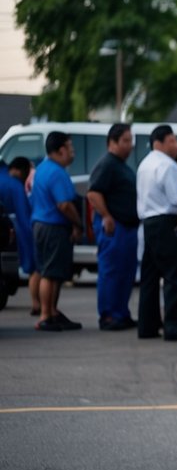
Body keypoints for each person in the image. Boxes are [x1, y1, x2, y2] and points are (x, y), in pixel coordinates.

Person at [136, 125, 177, 342]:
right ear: (160, 142)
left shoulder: (145, 164)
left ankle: (147, 325)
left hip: (149, 222)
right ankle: (174, 326)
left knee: (150, 276)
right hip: (168, 222)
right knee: (176, 276)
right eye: (172, 140)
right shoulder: (168, 166)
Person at [86, 123, 139, 331]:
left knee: (125, 272)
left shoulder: (122, 166)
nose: (130, 145)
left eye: (131, 140)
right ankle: (108, 315)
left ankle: (121, 313)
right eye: (125, 141)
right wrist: (106, 216)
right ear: (112, 142)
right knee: (111, 272)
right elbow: (93, 193)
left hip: (127, 228)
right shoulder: (107, 164)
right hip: (114, 228)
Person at [29, 131, 83, 331]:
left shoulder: (43, 168)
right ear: (61, 150)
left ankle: (52, 312)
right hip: (53, 226)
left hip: (41, 224)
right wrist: (78, 224)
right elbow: (64, 205)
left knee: (51, 271)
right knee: (50, 273)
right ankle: (46, 315)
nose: (72, 152)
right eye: (70, 147)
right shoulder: (56, 172)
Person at [0, 156, 40, 316]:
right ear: (19, 171)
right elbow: (23, 220)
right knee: (34, 268)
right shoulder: (14, 185)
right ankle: (37, 304)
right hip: (7, 235)